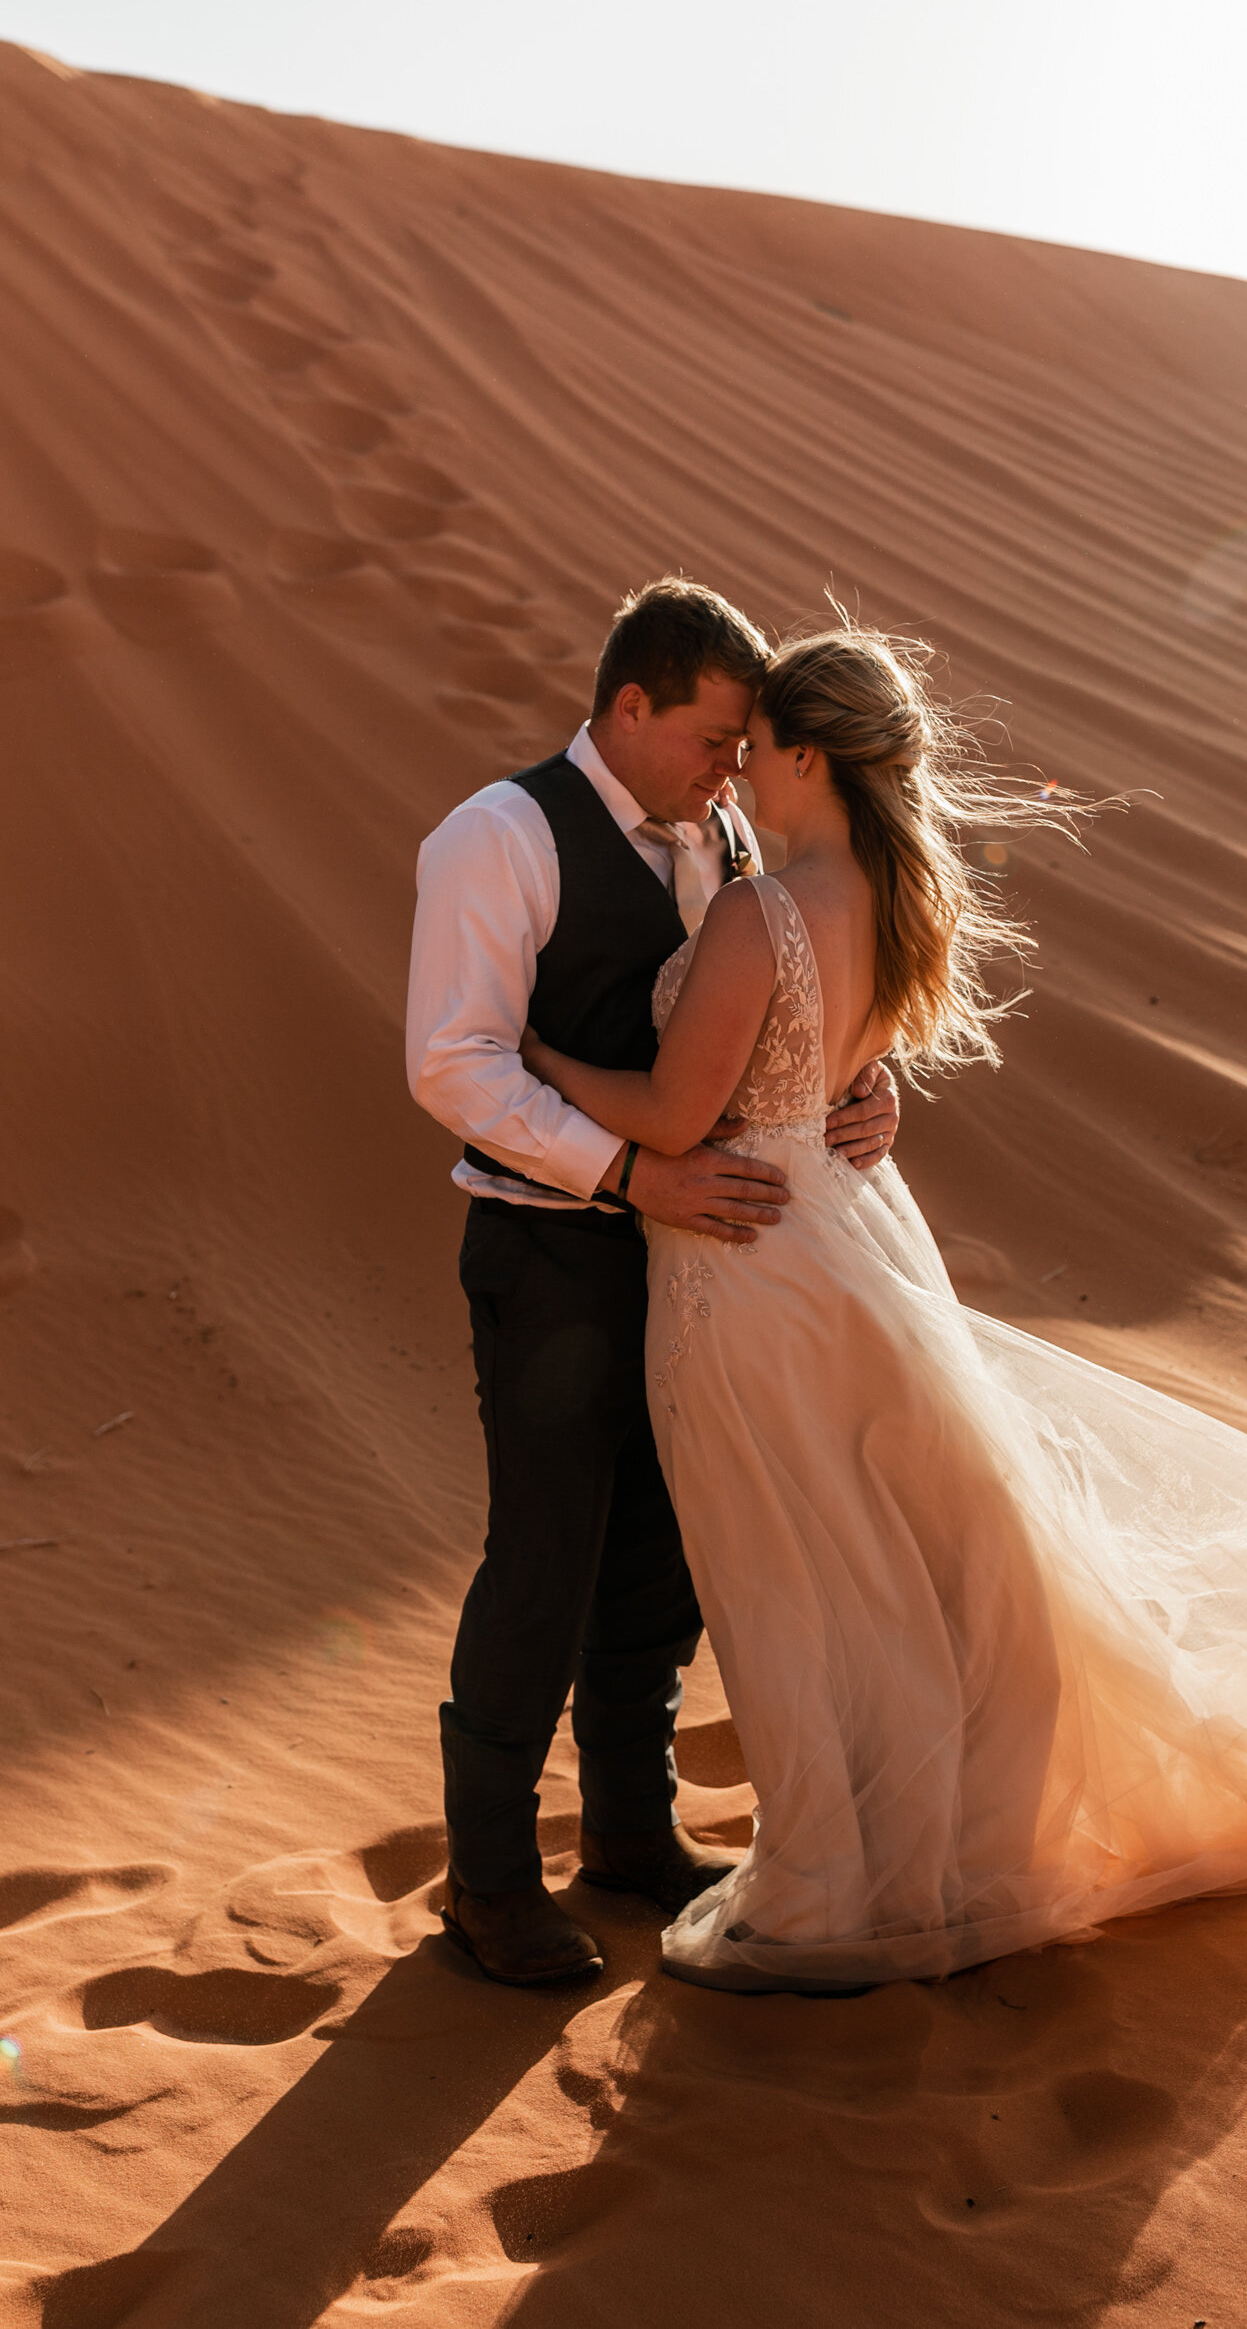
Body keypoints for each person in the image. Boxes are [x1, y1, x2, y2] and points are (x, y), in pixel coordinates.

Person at [518, 619, 1247, 1993]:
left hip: (748, 1264)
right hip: (848, 1239)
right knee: (909, 1559)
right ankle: (936, 1847)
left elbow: (676, 1113)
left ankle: (842, 1880)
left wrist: (539, 1058)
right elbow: (842, 1081)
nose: (737, 778)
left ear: (807, 756)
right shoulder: (899, 898)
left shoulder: (763, 910)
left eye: (757, 752)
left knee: (796, 1573)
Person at [406, 579, 899, 1987]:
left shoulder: (728, 831)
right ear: (629, 704)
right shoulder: (501, 837)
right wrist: (630, 1178)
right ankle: (489, 1885)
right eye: (711, 736)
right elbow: (454, 1065)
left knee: (664, 1560)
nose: (731, 768)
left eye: (748, 747)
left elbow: (784, 1009)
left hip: (710, 1271)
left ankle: (630, 1833)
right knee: (545, 1560)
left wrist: (870, 1089)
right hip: (554, 1255)